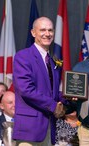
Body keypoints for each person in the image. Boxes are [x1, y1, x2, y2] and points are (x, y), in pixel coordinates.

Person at [12, 17, 66, 146]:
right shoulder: (23, 56)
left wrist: (68, 99)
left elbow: (52, 93)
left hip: (49, 128)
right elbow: (26, 90)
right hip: (29, 129)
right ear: (33, 33)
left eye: (50, 30)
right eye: (42, 30)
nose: (47, 34)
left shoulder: (53, 60)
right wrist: (54, 107)